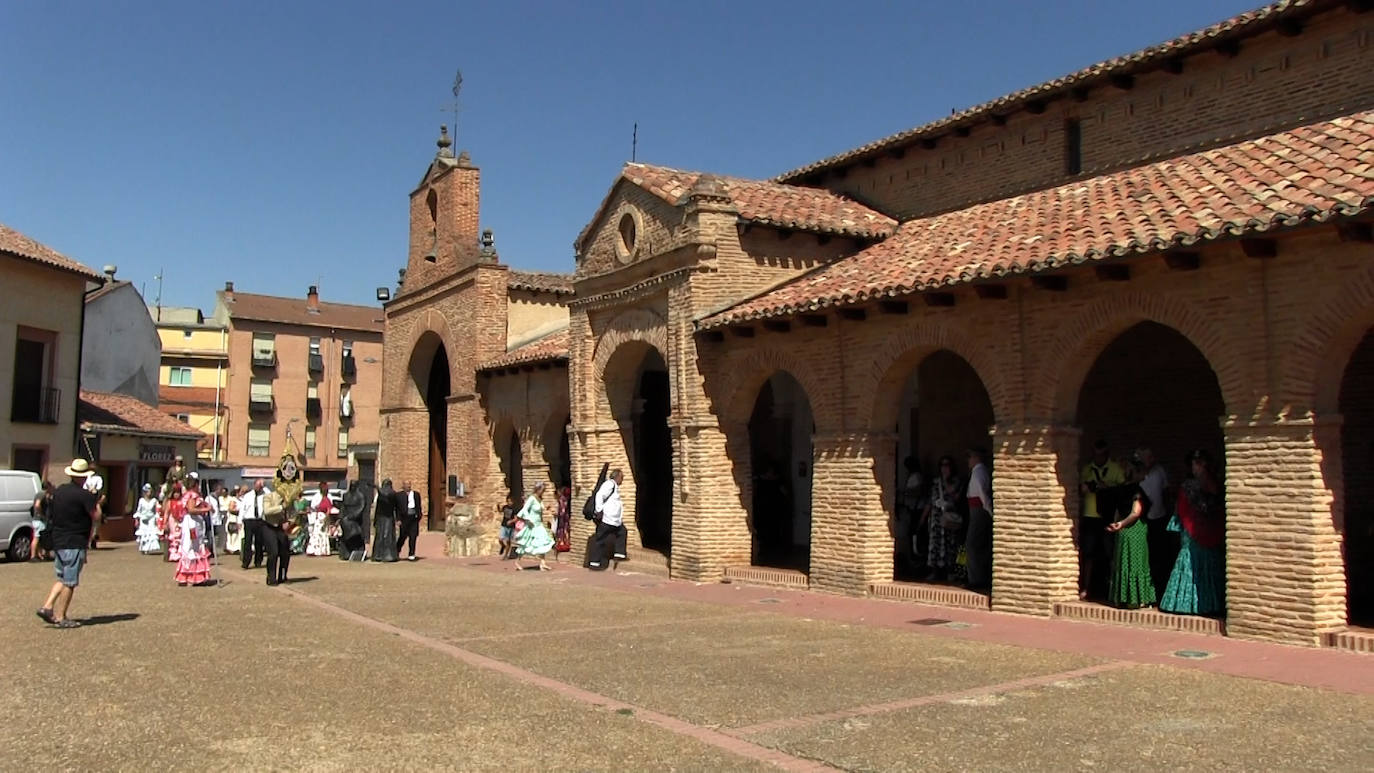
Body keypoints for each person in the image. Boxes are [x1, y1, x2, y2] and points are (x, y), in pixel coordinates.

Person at [1160, 449, 1226, 617]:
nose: (1194, 468)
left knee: (1193, 558)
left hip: (1197, 530)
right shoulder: (1209, 484)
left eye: (1196, 464)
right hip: (1202, 530)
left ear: (1202, 465)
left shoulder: (1195, 485)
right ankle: (1202, 603)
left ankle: (1192, 604)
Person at [35, 459, 99, 629]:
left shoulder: (60, 492)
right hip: (75, 541)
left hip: (59, 540)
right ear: (84, 477)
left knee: (62, 578)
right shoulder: (84, 495)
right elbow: (96, 516)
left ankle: (47, 606)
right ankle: (61, 616)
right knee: (70, 582)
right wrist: (95, 499)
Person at [1105, 458, 1157, 609]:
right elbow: (1135, 513)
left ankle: (1121, 597)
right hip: (1135, 530)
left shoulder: (1121, 489)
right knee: (1136, 563)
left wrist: (1117, 524)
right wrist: (1122, 524)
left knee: (1123, 563)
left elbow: (1116, 511)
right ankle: (1136, 598)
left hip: (1122, 531)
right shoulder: (1137, 491)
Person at [1078, 439, 1127, 601]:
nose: (1098, 458)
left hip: (1108, 516)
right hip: (1090, 516)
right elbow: (1080, 490)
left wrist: (1107, 488)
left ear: (1107, 454)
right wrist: (1088, 487)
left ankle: (1113, 589)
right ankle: (1085, 588)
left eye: (1101, 455)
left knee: (1110, 553)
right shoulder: (1087, 470)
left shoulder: (1115, 469)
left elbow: (1123, 490)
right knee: (1088, 553)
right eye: (1095, 455)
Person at [1135, 447, 1174, 598]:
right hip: (1144, 520)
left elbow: (1166, 491)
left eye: (1150, 457)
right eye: (1145, 457)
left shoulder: (1159, 471)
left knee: (1161, 555)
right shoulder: (1138, 474)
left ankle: (1160, 590)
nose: (1149, 460)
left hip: (1159, 517)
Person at [920, 455, 965, 583]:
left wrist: (945, 482)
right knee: (935, 545)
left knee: (951, 545)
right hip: (936, 519)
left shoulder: (956, 481)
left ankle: (951, 572)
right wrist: (922, 519)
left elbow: (956, 497)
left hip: (949, 518)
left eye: (947, 465)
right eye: (942, 465)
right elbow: (929, 501)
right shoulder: (935, 482)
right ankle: (935, 572)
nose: (944, 468)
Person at [964, 448, 993, 592]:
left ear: (976, 457)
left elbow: (982, 493)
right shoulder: (977, 472)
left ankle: (977, 579)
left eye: (969, 457)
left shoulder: (979, 472)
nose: (968, 460)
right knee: (977, 544)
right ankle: (977, 577)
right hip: (976, 510)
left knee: (972, 544)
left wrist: (989, 511)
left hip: (979, 511)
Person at [511, 482, 555, 571]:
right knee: (526, 543)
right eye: (542, 490)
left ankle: (543, 563)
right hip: (532, 524)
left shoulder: (539, 499)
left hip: (539, 524)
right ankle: (517, 561)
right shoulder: (532, 498)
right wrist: (528, 519)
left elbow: (541, 511)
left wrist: (547, 509)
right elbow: (525, 510)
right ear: (537, 489)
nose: (543, 492)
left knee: (543, 541)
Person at [174, 486, 213, 586]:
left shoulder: (197, 496)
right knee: (191, 547)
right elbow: (191, 510)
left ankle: (195, 575)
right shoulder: (191, 496)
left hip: (197, 523)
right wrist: (206, 509)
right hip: (192, 524)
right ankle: (189, 575)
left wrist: (208, 507)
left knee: (197, 547)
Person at [895, 456, 924, 580]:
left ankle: (918, 566)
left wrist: (904, 492)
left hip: (917, 511)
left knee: (915, 539)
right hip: (911, 510)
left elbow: (918, 491)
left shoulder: (917, 476)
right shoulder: (912, 476)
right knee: (910, 537)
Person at [588, 469, 624, 570]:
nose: (622, 480)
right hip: (607, 519)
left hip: (613, 520)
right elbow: (600, 495)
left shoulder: (614, 486)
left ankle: (619, 553)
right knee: (600, 540)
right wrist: (599, 510)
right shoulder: (610, 484)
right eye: (622, 477)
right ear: (617, 477)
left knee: (621, 531)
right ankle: (594, 563)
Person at [260, 487, 291, 586]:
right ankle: (271, 577)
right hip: (269, 525)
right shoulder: (268, 496)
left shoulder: (289, 499)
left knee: (285, 553)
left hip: (281, 526)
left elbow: (293, 511)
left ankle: (282, 576)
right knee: (273, 552)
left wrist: (289, 522)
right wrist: (281, 507)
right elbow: (267, 511)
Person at [337, 481, 368, 561]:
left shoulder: (360, 495)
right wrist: (341, 516)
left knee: (357, 536)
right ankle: (346, 553)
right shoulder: (346, 495)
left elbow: (361, 507)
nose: (352, 487)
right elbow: (343, 507)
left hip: (356, 519)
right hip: (346, 518)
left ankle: (359, 553)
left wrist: (353, 516)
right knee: (345, 536)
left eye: (354, 485)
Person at [239, 480, 265, 570]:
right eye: (258, 486)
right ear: (254, 486)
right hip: (249, 520)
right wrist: (239, 521)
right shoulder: (248, 496)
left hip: (260, 520)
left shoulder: (265, 494)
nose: (259, 488)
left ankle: (258, 561)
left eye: (261, 486)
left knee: (259, 542)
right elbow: (242, 509)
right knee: (248, 541)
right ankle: (246, 562)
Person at [371, 479, 399, 562]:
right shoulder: (381, 495)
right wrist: (375, 519)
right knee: (379, 537)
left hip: (388, 518)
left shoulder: (392, 493)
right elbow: (378, 508)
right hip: (380, 517)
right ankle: (377, 555)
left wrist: (377, 487)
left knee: (387, 536)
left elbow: (386, 495)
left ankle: (389, 555)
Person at [306, 483, 336, 557]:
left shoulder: (327, 500)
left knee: (322, 534)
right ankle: (314, 550)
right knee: (316, 534)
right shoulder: (321, 499)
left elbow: (328, 510)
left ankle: (323, 550)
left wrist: (325, 518)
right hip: (318, 517)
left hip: (323, 517)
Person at [396, 480, 422, 561]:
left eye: (409, 484)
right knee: (403, 536)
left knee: (413, 536)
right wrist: (398, 519)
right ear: (403, 486)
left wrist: (419, 515)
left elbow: (418, 506)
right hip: (404, 518)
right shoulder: (399, 495)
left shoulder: (416, 494)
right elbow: (397, 509)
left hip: (413, 517)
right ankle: (397, 550)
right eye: (406, 484)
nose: (408, 486)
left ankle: (411, 553)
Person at [134, 483, 163, 554]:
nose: (149, 493)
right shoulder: (141, 501)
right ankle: (143, 548)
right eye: (148, 491)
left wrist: (157, 520)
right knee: (143, 534)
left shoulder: (154, 500)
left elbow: (157, 510)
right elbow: (138, 510)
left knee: (151, 533)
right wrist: (137, 519)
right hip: (143, 520)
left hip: (151, 519)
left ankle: (149, 548)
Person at [30, 480, 53, 561]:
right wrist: (41, 514)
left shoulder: (42, 494)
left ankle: (39, 555)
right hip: (39, 520)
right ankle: (33, 556)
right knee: (37, 537)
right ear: (48, 487)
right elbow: (37, 505)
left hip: (38, 520)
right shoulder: (42, 494)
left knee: (40, 538)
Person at [497, 494, 518, 559]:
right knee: (500, 539)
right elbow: (500, 511)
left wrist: (511, 521)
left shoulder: (514, 509)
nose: (509, 503)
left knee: (508, 541)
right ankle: (503, 546)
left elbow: (516, 518)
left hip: (511, 527)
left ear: (513, 502)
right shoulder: (505, 507)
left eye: (511, 501)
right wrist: (498, 506)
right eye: (508, 501)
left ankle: (506, 555)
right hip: (504, 525)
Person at [224, 485, 243, 554]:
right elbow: (231, 509)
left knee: (237, 535)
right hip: (233, 519)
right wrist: (239, 512)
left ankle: (237, 548)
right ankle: (231, 548)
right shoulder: (233, 500)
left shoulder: (240, 500)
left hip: (239, 519)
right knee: (233, 534)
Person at [554, 485, 572, 557]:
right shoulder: (565, 499)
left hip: (563, 518)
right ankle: (563, 544)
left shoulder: (562, 499)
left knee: (562, 531)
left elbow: (562, 510)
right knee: (564, 531)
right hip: (565, 517)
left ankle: (562, 545)